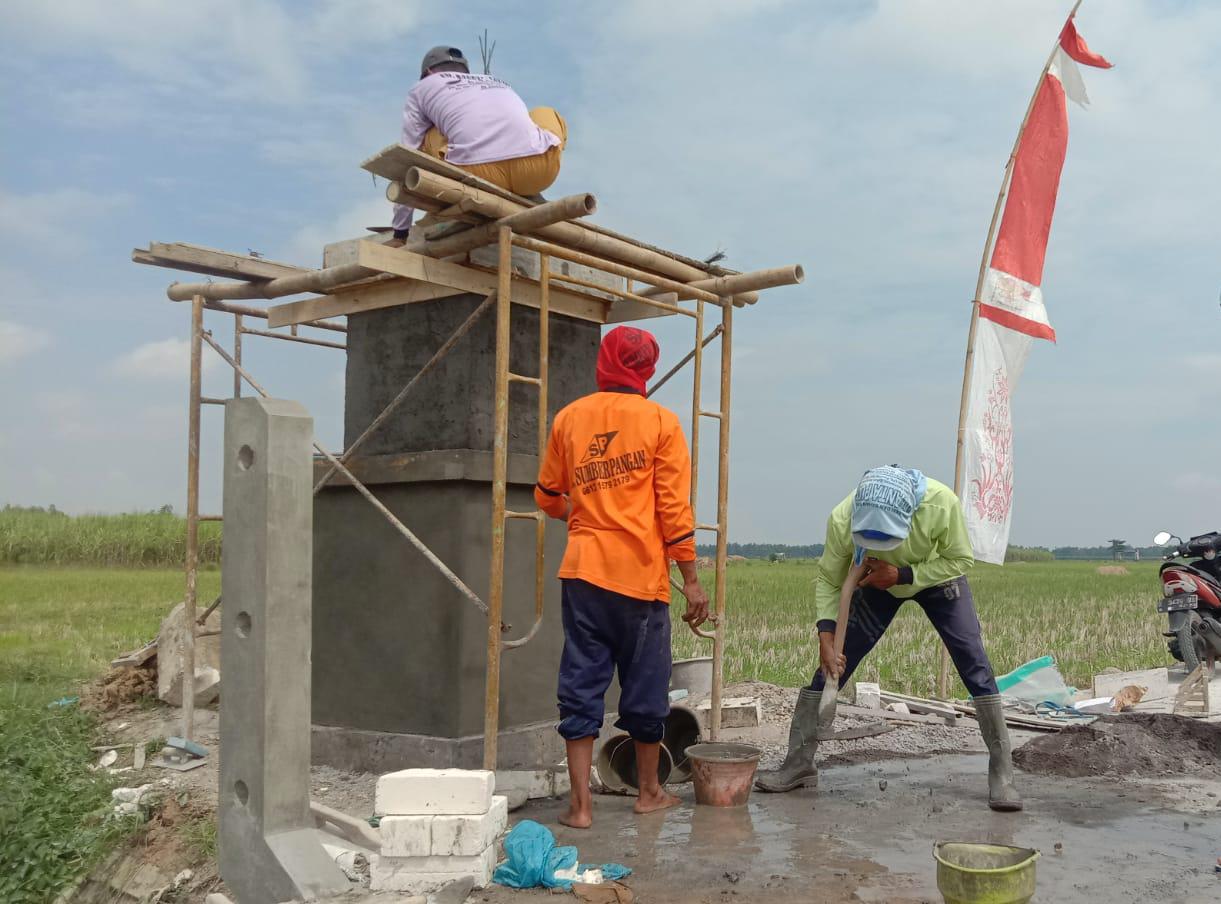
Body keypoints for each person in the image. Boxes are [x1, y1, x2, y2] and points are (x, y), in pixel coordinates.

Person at [754, 465, 1023, 812]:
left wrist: (903, 574)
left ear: (910, 517)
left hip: (932, 575)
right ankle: (799, 764)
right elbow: (829, 580)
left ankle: (1002, 772)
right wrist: (825, 633)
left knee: (973, 661)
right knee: (834, 662)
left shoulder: (941, 504)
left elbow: (960, 558)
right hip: (875, 580)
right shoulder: (842, 518)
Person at [534, 326, 710, 828]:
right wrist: (692, 581)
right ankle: (649, 792)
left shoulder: (570, 418)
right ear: (647, 370)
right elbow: (674, 510)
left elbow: (547, 494)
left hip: (584, 577)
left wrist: (581, 513)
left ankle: (580, 807)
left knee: (581, 684)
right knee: (646, 687)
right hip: (640, 583)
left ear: (603, 362)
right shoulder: (661, 422)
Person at [387, 45, 568, 245]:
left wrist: (400, 233)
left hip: (477, 173)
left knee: (428, 134)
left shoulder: (421, 88)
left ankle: (450, 211)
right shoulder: (495, 82)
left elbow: (410, 153)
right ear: (465, 72)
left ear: (428, 72)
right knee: (545, 112)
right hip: (537, 170)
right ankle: (530, 194)